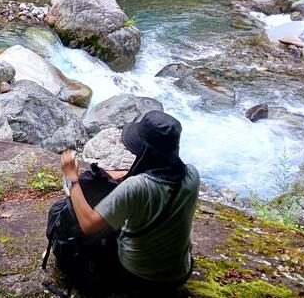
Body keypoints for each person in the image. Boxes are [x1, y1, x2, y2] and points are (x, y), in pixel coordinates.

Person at [59, 111, 199, 292]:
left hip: (138, 276)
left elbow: (88, 224)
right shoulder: (192, 175)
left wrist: (72, 178)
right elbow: (147, 174)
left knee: (91, 238)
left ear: (146, 150)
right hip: (179, 274)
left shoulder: (137, 187)